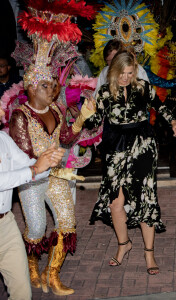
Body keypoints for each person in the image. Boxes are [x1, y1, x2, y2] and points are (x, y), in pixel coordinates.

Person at [7, 0, 96, 295]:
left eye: (53, 86)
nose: (54, 90)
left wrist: (81, 119)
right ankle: (31, 266)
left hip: (56, 174)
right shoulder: (20, 115)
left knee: (68, 223)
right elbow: (23, 152)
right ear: (31, 87)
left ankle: (52, 275)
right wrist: (44, 160)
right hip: (32, 178)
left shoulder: (56, 111)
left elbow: (67, 139)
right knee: (36, 229)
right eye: (47, 87)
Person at [88, 50, 176, 275]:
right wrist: (84, 114)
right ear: (113, 71)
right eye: (121, 73)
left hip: (142, 146)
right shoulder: (103, 93)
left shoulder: (143, 88)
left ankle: (149, 253)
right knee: (115, 203)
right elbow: (93, 122)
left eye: (130, 73)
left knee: (144, 199)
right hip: (116, 148)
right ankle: (124, 245)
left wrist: (174, 122)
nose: (125, 78)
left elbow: (160, 107)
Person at [0, 106, 65, 300]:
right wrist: (35, 169)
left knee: (22, 293)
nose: (3, 111)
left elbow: (28, 165)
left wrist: (47, 162)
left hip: (6, 225)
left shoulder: (3, 139)